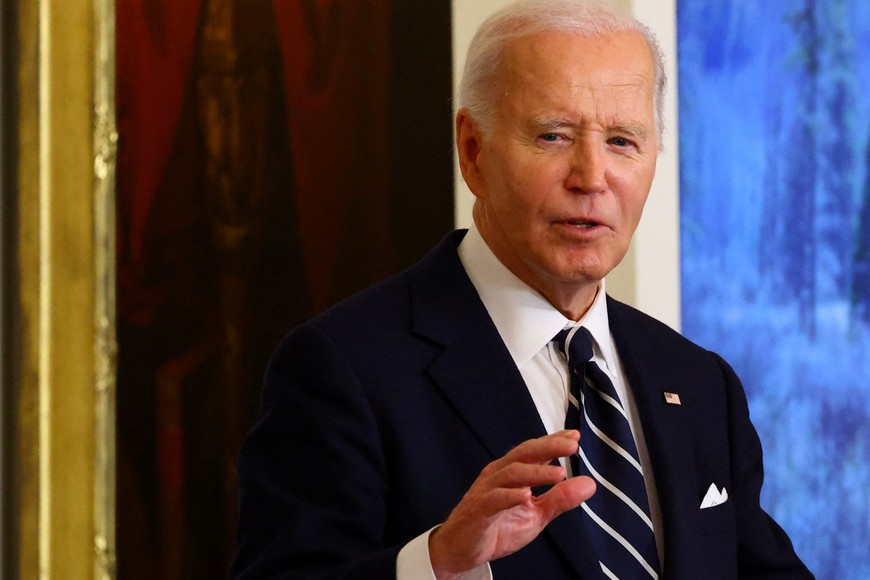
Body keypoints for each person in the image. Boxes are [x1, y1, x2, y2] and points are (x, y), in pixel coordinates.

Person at [230, 0, 814, 578]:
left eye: (622, 141)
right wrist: (436, 562)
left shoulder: (698, 381)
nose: (591, 177)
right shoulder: (343, 369)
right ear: (473, 151)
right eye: (553, 135)